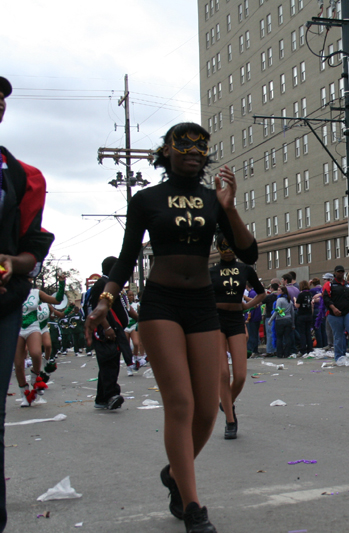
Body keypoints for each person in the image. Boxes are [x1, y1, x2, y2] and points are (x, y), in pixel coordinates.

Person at [85, 122, 257, 533]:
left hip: (201, 306)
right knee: (180, 403)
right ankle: (193, 505)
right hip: (161, 304)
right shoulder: (146, 199)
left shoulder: (213, 200)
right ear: (167, 150)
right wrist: (104, 301)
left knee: (205, 410)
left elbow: (249, 251)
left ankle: (174, 473)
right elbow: (126, 260)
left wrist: (229, 206)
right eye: (184, 144)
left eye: (201, 146)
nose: (194, 151)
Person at [0, 75, 55, 532]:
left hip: (7, 309)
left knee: (33, 355)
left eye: (2, 96)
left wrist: (14, 265)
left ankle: (34, 384)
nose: (0, 101)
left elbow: (32, 244)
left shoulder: (19, 175)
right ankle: (28, 385)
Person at [210, 233, 265, 439]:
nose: (226, 249)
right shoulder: (211, 271)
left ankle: (226, 402)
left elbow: (261, 293)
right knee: (223, 374)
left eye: (229, 245)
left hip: (235, 319)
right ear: (217, 247)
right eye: (222, 245)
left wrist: (246, 306)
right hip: (215, 320)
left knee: (240, 375)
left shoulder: (245, 269)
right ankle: (230, 420)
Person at [84, 257, 131, 410]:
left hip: (114, 329)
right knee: (109, 362)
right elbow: (98, 309)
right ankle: (111, 395)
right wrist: (107, 327)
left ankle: (102, 398)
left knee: (110, 362)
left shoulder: (110, 285)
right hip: (105, 332)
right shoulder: (102, 285)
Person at [14, 275, 65, 406]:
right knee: (18, 364)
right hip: (17, 328)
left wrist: (61, 283)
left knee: (36, 353)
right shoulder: (12, 291)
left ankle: (35, 376)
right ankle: (24, 394)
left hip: (33, 326)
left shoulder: (36, 293)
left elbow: (57, 300)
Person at [323, 265, 349, 361]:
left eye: (342, 271)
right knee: (338, 335)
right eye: (338, 271)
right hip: (334, 314)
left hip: (348, 311)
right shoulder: (329, 284)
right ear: (335, 273)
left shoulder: (348, 285)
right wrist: (333, 309)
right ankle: (339, 355)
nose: (340, 273)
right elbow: (326, 298)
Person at [268, 286, 295, 358]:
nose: (277, 291)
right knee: (287, 337)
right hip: (288, 319)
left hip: (280, 320)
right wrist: (293, 324)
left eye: (279, 290)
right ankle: (287, 353)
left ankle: (279, 353)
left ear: (282, 292)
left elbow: (277, 311)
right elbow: (292, 313)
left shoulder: (279, 300)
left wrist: (270, 320)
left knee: (279, 337)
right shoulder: (289, 301)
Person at [295, 280, 315, 355]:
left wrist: (294, 300)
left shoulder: (301, 295)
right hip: (309, 315)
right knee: (308, 333)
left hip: (302, 315)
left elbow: (297, 305)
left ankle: (303, 349)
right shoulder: (310, 294)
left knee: (302, 333)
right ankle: (310, 348)